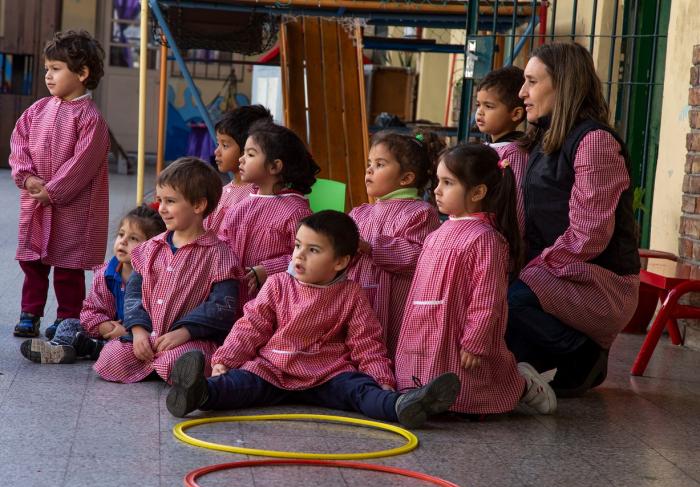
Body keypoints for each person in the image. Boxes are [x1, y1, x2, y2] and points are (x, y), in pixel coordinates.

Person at [166, 211, 460, 428]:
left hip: (329, 373)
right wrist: (226, 359)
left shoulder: (351, 294)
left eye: (313, 250)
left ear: (341, 262)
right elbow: (251, 326)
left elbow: (366, 342)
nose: (299, 256)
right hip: (274, 369)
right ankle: (197, 393)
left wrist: (382, 379)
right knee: (237, 385)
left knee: (360, 391)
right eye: (297, 246)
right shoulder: (279, 284)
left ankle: (403, 405)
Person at [507, 42, 640, 397]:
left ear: (563, 84)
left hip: (597, 282)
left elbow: (589, 235)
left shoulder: (594, 142)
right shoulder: (544, 139)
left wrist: (526, 271)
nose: (522, 93)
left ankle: (585, 353)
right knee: (496, 343)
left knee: (506, 298)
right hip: (556, 273)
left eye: (532, 81)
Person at [394, 144, 556, 417]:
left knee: (473, 385)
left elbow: (487, 296)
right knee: (429, 374)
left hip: (460, 329)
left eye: (448, 183)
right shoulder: (441, 230)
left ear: (478, 192)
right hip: (429, 321)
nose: (437, 190)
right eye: (437, 181)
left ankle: (521, 385)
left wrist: (475, 341)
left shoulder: (485, 239)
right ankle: (425, 399)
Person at [93, 158, 241, 383]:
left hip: (190, 340)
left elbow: (222, 305)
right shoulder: (149, 248)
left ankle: (170, 368)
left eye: (170, 201)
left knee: (182, 360)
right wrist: (138, 330)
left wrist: (185, 332)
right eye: (160, 200)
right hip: (148, 336)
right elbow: (134, 293)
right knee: (111, 356)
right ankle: (160, 367)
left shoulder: (219, 254)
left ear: (198, 206)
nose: (161, 208)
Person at [10, 30, 109, 340]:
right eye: (47, 68)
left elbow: (83, 164)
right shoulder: (38, 110)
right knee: (33, 262)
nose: (48, 76)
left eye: (56, 68)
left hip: (72, 208)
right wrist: (26, 177)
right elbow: (19, 143)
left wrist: (53, 190)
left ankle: (68, 317)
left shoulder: (91, 119)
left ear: (82, 73)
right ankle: (30, 312)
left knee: (68, 266)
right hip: (36, 202)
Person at [19, 206, 165, 364]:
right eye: (121, 234)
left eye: (134, 239)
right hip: (107, 330)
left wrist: (132, 331)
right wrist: (103, 326)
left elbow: (159, 316)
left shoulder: (154, 277)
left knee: (142, 343)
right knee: (68, 324)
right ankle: (58, 347)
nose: (123, 241)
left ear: (153, 247)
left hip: (137, 336)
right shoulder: (106, 273)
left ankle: (92, 348)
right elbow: (90, 310)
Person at [347, 130, 441, 358]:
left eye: (379, 164)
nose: (369, 170)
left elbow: (417, 256)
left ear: (406, 179)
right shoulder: (360, 212)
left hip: (394, 301)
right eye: (369, 163)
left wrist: (370, 246)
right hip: (358, 297)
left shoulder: (421, 213)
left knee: (388, 350)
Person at [219, 121, 316, 307]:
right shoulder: (239, 207)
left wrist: (268, 270)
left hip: (274, 305)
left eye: (250, 154)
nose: (241, 159)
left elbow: (309, 256)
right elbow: (222, 246)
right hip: (232, 303)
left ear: (274, 167)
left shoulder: (296, 210)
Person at [205, 105, 274, 232]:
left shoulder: (256, 196)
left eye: (225, 145)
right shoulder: (222, 191)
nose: (216, 151)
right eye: (217, 143)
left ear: (249, 148)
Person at [475, 66, 525, 147]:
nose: (480, 112)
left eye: (488, 106)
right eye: (478, 105)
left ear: (516, 114)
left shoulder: (514, 151)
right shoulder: (487, 144)